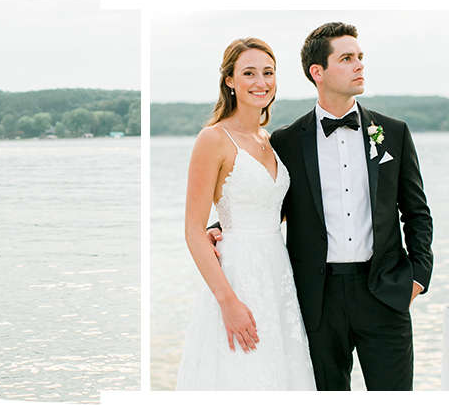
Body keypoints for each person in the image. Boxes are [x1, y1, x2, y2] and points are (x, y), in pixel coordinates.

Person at [207, 23, 433, 391]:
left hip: (384, 292)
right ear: (318, 72)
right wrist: (221, 227)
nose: (359, 65)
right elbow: (270, 199)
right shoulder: (285, 141)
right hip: (316, 298)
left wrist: (418, 277)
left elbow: (417, 213)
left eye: (360, 57)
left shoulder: (393, 132)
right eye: (347, 58)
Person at [175, 38, 316, 390]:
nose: (261, 82)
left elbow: (272, 208)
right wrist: (229, 302)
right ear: (230, 81)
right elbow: (193, 231)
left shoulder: (268, 139)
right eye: (249, 73)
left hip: (278, 274)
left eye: (268, 73)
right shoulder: (214, 139)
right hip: (238, 277)